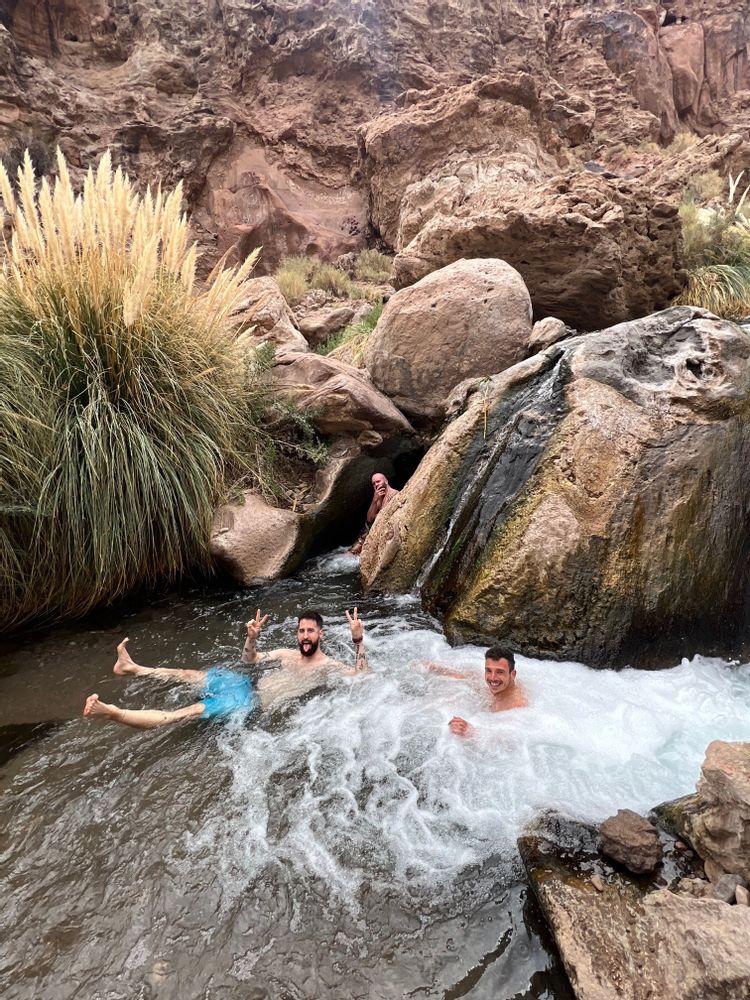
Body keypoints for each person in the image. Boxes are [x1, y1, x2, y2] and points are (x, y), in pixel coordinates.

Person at [82, 608, 368, 729]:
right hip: (243, 684)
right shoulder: (286, 654)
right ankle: (132, 667)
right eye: (301, 631)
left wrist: (358, 642)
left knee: (186, 712)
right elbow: (249, 661)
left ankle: (113, 713)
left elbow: (363, 679)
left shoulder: (329, 666)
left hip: (247, 702)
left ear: (321, 634)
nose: (305, 635)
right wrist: (251, 638)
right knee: (189, 674)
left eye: (310, 631)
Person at [423, 646, 528, 737]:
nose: (492, 677)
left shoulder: (516, 707)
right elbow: (463, 676)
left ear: (513, 674)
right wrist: (433, 667)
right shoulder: (492, 684)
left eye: (499, 672)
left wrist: (470, 731)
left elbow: (506, 741)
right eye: (488, 670)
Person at [350, 472, 400, 555]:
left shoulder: (394, 494)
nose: (376, 485)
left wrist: (375, 515)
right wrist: (374, 500)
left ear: (386, 481)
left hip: (382, 533)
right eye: (374, 483)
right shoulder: (378, 496)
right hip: (368, 532)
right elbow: (369, 518)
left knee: (352, 554)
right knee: (349, 554)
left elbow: (383, 516)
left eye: (378, 481)